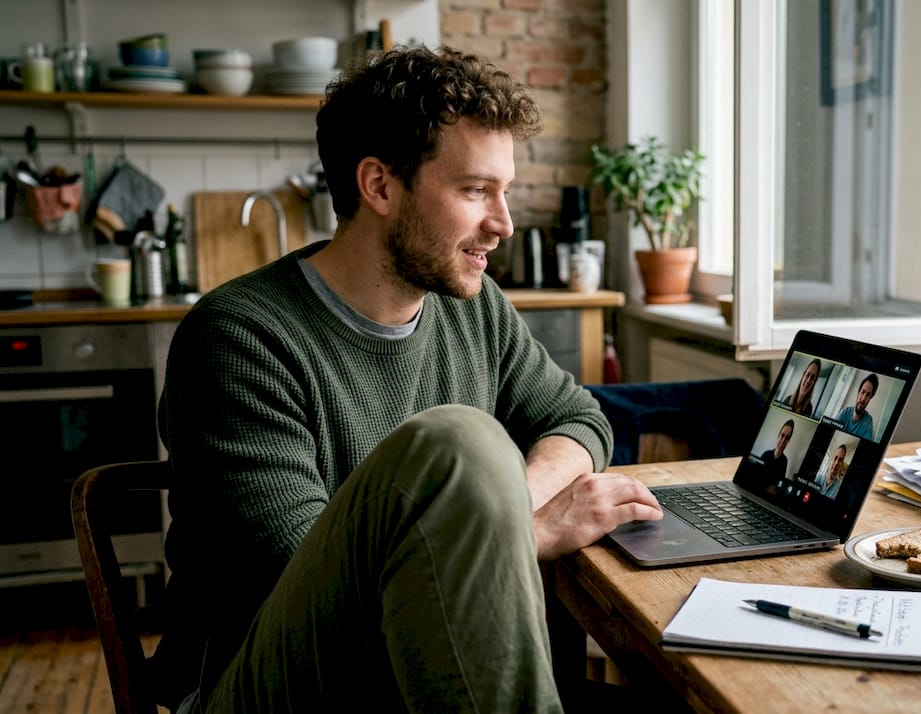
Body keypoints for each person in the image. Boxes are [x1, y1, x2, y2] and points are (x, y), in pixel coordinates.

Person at [152, 47, 663, 713]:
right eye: (477, 190)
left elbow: (578, 420)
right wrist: (517, 532)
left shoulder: (474, 308)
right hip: (268, 681)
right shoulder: (238, 337)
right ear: (380, 186)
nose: (503, 224)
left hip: (421, 663)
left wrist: (500, 510)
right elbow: (302, 578)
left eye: (503, 193)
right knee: (460, 443)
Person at [835, 373, 879, 440]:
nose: (863, 398)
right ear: (858, 393)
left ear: (870, 399)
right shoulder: (845, 412)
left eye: (868, 395)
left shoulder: (868, 422)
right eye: (863, 392)